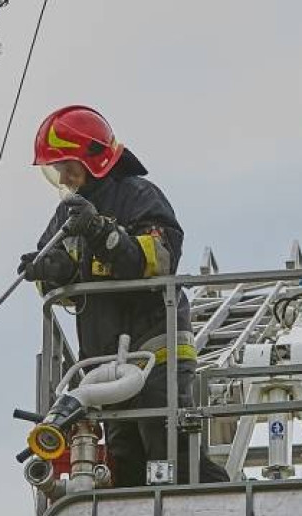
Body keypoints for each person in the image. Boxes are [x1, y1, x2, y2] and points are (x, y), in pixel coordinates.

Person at [20, 105, 228, 487]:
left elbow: (157, 259)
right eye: (59, 169)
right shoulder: (66, 215)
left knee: (169, 449)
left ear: (94, 159)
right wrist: (51, 272)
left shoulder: (139, 196)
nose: (64, 177)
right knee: (124, 461)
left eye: (69, 165)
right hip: (104, 360)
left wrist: (101, 231)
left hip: (156, 351)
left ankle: (224, 507)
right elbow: (58, 278)